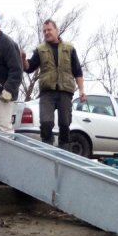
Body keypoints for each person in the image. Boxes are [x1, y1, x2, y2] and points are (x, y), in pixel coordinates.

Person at [21, 19, 86, 150]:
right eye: (44, 31)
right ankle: (47, 147)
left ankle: (64, 150)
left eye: (49, 30)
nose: (46, 33)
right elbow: (29, 68)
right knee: (46, 122)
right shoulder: (40, 49)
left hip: (65, 91)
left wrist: (81, 90)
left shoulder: (69, 48)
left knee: (65, 123)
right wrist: (22, 59)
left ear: (57, 30)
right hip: (47, 92)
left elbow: (77, 70)